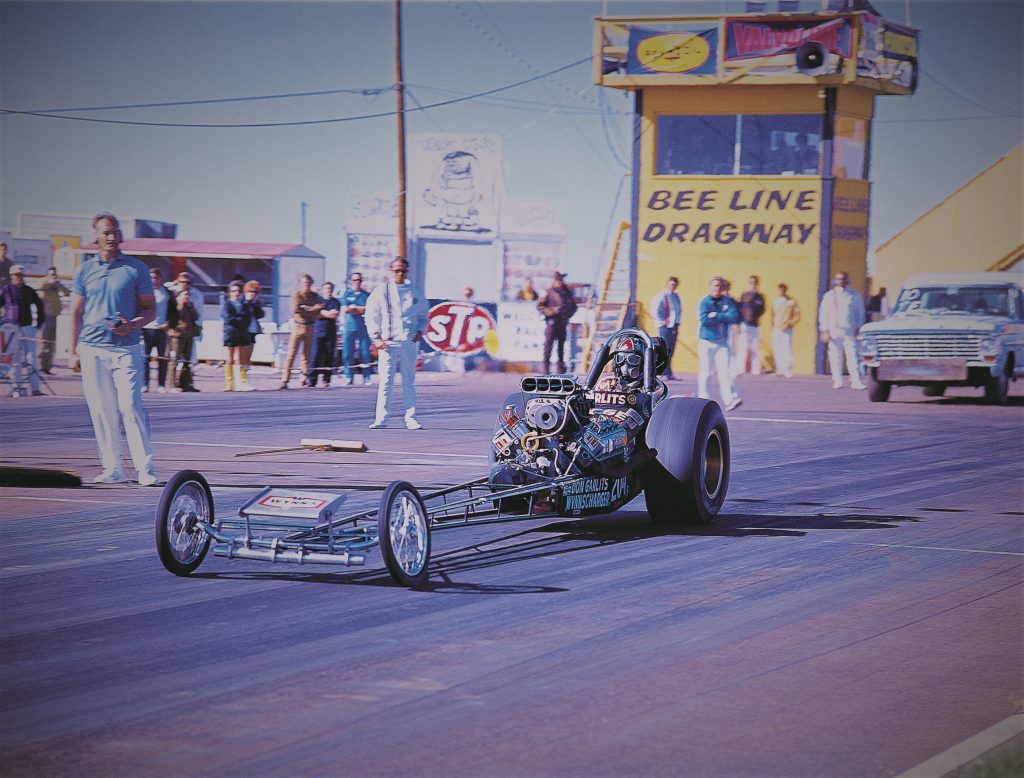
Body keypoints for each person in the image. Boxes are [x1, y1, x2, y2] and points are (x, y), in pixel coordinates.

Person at [69, 213, 162, 486]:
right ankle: (113, 468)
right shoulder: (85, 270)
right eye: (105, 232)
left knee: (131, 406)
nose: (111, 237)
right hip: (91, 348)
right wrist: (74, 351)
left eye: (114, 232)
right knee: (101, 409)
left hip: (126, 348)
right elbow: (75, 313)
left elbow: (151, 309)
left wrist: (133, 324)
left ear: (120, 236)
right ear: (96, 237)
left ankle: (145, 469)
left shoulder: (136, 269)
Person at [365, 257, 427, 429]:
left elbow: (423, 315)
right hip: (388, 343)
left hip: (408, 342)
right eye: (396, 270)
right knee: (385, 382)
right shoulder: (381, 291)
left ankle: (411, 418)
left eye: (403, 271)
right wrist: (376, 338)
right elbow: (371, 316)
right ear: (391, 271)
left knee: (409, 381)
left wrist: (419, 333)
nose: (400, 274)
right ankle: (381, 418)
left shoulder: (415, 291)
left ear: (407, 272)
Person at [0, 264, 46, 396]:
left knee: (31, 358)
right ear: (11, 276)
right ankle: (16, 388)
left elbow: (39, 307)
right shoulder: (5, 290)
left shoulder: (29, 291)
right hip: (10, 330)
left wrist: (38, 325)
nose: (18, 278)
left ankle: (36, 389)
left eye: (20, 276)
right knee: (14, 360)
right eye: (16, 275)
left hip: (27, 328)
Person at [697, 275, 742, 411]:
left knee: (725, 372)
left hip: (722, 342)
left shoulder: (727, 301)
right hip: (706, 341)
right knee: (706, 372)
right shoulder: (705, 302)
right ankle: (703, 399)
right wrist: (723, 317)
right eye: (715, 285)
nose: (718, 288)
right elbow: (705, 320)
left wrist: (716, 315)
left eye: (720, 286)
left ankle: (729, 400)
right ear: (710, 287)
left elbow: (734, 317)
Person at [818, 270, 866, 390]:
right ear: (835, 281)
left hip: (850, 330)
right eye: (839, 279)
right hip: (834, 330)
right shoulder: (829, 295)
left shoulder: (854, 295)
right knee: (835, 356)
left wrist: (859, 327)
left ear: (847, 280)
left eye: (843, 279)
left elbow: (860, 313)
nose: (841, 281)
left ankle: (855, 381)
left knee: (852, 356)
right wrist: (824, 330)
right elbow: (823, 314)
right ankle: (837, 380)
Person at [278, 273, 322, 389]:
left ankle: (303, 379)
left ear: (311, 284)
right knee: (291, 354)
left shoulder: (315, 296)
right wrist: (312, 309)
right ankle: (285, 379)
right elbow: (296, 309)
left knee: (306, 355)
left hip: (310, 326)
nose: (305, 285)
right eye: (303, 283)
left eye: (307, 283)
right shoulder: (296, 295)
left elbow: (319, 311)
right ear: (300, 284)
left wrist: (307, 309)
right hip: (298, 326)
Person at [166, 272, 203, 391]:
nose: (186, 285)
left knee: (187, 361)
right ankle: (171, 385)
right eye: (183, 282)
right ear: (178, 281)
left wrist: (190, 306)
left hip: (188, 333)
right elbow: (173, 316)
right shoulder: (172, 297)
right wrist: (180, 304)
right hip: (176, 334)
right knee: (174, 360)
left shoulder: (193, 298)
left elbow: (196, 317)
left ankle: (186, 384)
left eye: (188, 283)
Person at [537, 271, 577, 374]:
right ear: (554, 281)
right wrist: (550, 311)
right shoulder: (548, 292)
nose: (559, 282)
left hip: (562, 322)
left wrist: (567, 314)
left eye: (560, 280)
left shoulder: (567, 292)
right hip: (552, 323)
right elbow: (539, 306)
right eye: (558, 280)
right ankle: (546, 370)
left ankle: (561, 371)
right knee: (548, 347)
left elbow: (573, 307)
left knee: (561, 348)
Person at [220, 280, 257, 391]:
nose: (236, 293)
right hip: (231, 333)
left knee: (240, 358)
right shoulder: (227, 304)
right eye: (233, 290)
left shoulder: (244, 304)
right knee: (230, 358)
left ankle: (241, 382)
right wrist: (239, 320)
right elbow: (228, 318)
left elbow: (247, 318)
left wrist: (240, 320)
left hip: (241, 332)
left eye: (238, 291)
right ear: (230, 292)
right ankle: (229, 383)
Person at [142, 267, 171, 393]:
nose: (154, 280)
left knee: (162, 359)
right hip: (147, 328)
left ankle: (161, 385)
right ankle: (145, 384)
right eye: (151, 278)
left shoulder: (167, 293)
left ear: (161, 278)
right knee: (145, 359)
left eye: (156, 277)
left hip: (161, 329)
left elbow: (174, 311)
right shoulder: (144, 292)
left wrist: (169, 323)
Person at [308, 281, 341, 388]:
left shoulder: (336, 302)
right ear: (323, 290)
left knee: (328, 356)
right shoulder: (318, 301)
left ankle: (326, 380)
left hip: (331, 332)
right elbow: (315, 313)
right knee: (315, 355)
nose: (328, 290)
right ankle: (312, 380)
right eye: (326, 288)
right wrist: (325, 313)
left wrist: (322, 313)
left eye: (330, 288)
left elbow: (334, 315)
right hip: (318, 331)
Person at [340, 271, 371, 386]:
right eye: (354, 280)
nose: (356, 282)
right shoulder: (346, 294)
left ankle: (367, 377)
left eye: (359, 280)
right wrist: (358, 309)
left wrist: (354, 308)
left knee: (365, 353)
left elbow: (367, 309)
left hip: (363, 327)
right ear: (351, 281)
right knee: (348, 353)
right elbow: (345, 309)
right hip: (349, 327)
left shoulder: (366, 295)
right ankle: (348, 376)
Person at [38, 267, 70, 374]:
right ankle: (41, 365)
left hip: (54, 316)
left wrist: (58, 284)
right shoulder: (44, 282)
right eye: (51, 274)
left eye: (54, 274)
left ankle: (48, 366)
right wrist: (49, 282)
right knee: (44, 341)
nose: (53, 276)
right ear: (47, 275)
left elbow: (67, 293)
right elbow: (40, 288)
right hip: (45, 316)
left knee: (52, 342)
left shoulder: (57, 284)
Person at [650, 276, 682, 380]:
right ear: (667, 284)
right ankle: (661, 373)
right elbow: (654, 311)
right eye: (671, 284)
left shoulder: (676, 296)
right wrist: (661, 323)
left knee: (671, 350)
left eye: (675, 284)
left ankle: (668, 373)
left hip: (674, 326)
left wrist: (677, 323)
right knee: (664, 349)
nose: (673, 286)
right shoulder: (661, 296)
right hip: (665, 327)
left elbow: (677, 311)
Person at [734, 275, 766, 377]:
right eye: (751, 282)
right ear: (748, 284)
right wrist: (738, 323)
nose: (753, 284)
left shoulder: (760, 297)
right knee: (742, 347)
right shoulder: (744, 295)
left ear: (757, 284)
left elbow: (762, 310)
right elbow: (740, 309)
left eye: (755, 283)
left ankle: (755, 369)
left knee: (755, 348)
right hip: (744, 325)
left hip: (755, 325)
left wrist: (753, 316)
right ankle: (740, 369)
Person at [771, 283, 801, 378]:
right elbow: (772, 314)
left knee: (787, 349)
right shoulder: (775, 301)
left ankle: (787, 370)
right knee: (777, 349)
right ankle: (779, 369)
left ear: (785, 290)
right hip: (776, 328)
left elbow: (797, 315)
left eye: (783, 290)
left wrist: (790, 323)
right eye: (780, 290)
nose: (781, 291)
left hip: (786, 328)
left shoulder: (791, 302)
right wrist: (773, 325)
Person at [238, 279, 264, 391]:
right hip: (243, 331)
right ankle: (240, 381)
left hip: (252, 331)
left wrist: (255, 304)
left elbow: (261, 314)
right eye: (251, 291)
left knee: (248, 357)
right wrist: (247, 302)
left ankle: (245, 380)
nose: (253, 294)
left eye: (256, 292)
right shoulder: (241, 301)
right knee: (241, 357)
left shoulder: (255, 302)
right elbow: (240, 313)